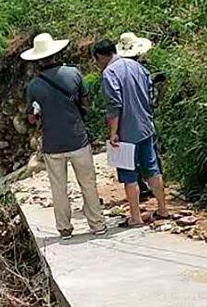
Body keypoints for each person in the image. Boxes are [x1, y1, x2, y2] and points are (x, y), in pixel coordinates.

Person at [21, 32, 107, 238]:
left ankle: (64, 228)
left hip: (52, 144)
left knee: (58, 188)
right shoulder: (74, 74)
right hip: (77, 139)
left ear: (37, 59)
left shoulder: (33, 86)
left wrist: (39, 114)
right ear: (56, 53)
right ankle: (97, 224)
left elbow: (31, 119)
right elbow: (85, 102)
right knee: (87, 183)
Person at [93, 37, 169, 227]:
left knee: (129, 175)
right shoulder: (138, 67)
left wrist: (113, 132)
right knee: (152, 169)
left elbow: (114, 105)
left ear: (100, 56)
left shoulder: (109, 73)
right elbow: (151, 94)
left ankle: (135, 218)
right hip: (145, 127)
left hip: (126, 133)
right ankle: (163, 209)